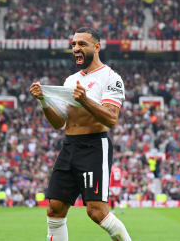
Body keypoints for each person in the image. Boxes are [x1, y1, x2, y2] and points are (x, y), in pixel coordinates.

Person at [29, 27, 132, 241]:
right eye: (74, 44)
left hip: (94, 147)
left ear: (97, 47)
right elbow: (59, 123)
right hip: (69, 146)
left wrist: (84, 99)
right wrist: (43, 101)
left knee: (96, 211)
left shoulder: (111, 78)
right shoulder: (70, 80)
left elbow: (111, 119)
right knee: (55, 208)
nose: (76, 48)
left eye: (82, 44)